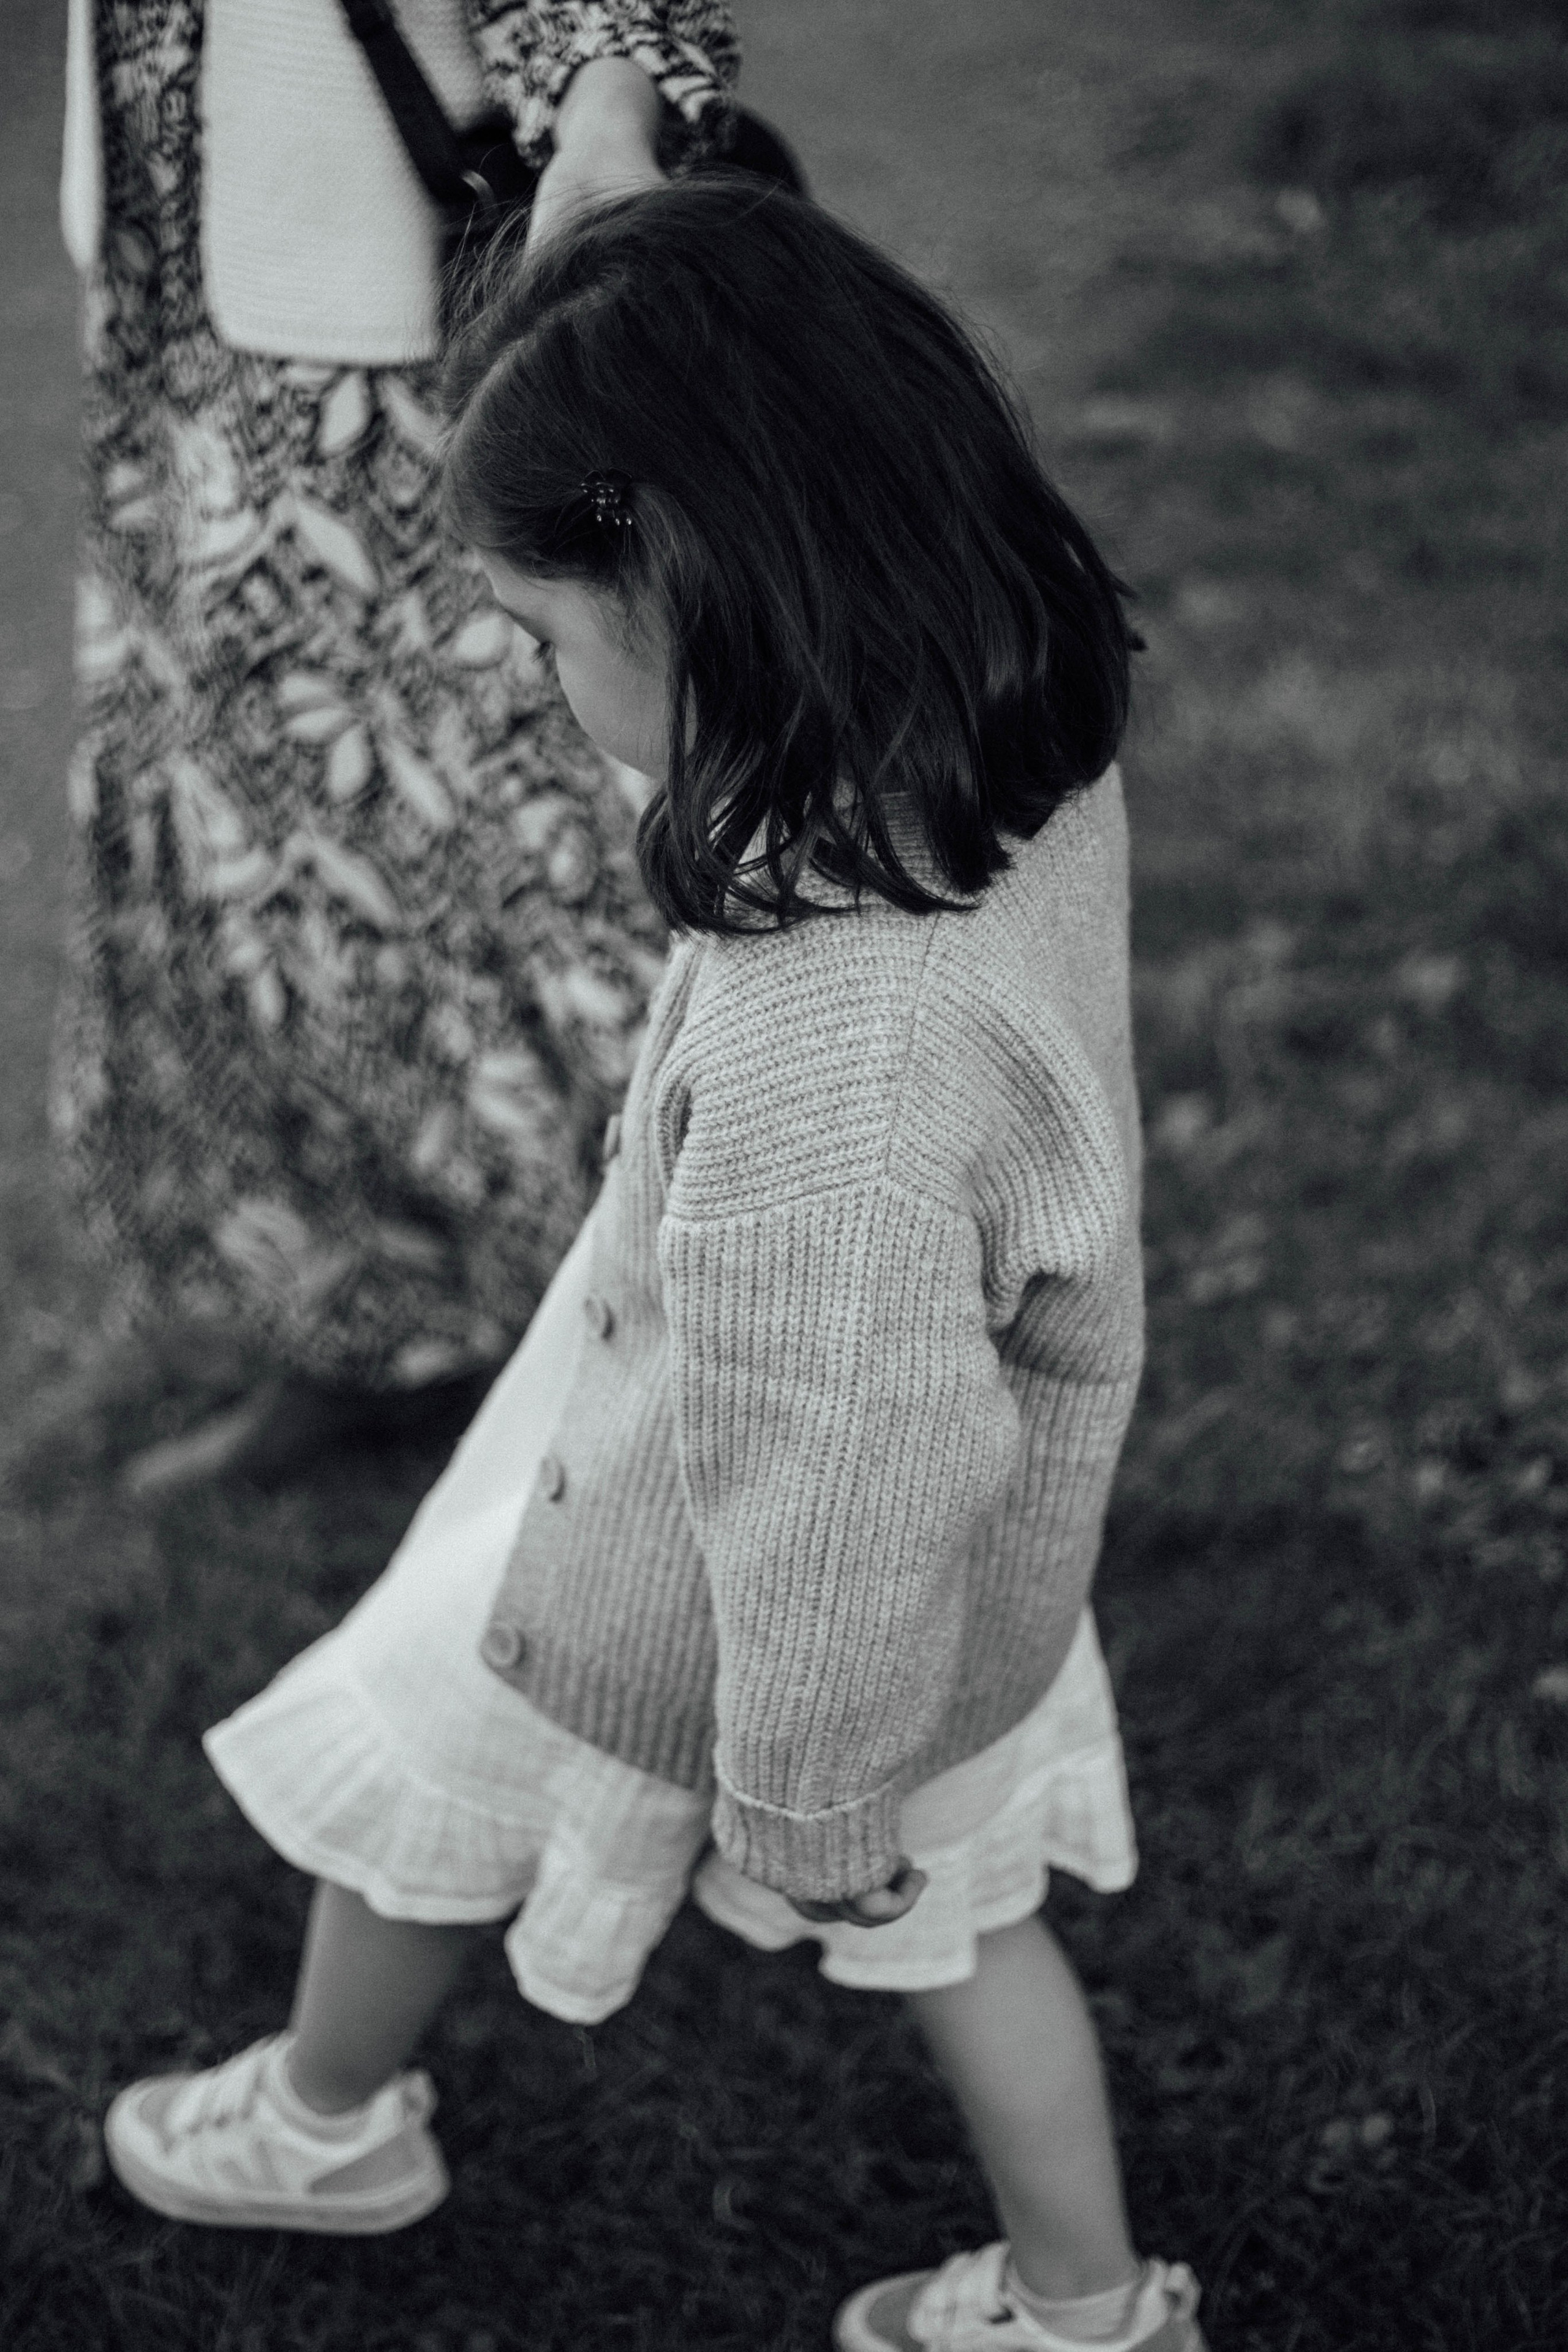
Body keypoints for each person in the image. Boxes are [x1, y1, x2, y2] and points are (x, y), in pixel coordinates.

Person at [102, 181, 1208, 2352]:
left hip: (722, 1567)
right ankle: (1089, 2309)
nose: (534, 683)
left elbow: (838, 1445)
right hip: (965, 1547)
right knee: (966, 1921)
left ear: (703, 586)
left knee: (432, 1730)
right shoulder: (996, 735)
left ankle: (328, 2129)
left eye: (538, 634)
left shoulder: (841, 1058)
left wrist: (804, 1793)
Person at [53, 0, 737, 1494]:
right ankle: (379, 1331)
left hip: (404, 328)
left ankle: (710, 1341)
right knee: (266, 850)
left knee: (519, 844)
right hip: (183, 307)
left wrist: (610, 121)